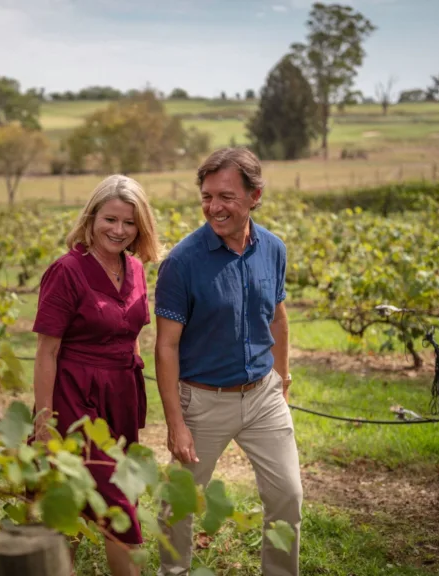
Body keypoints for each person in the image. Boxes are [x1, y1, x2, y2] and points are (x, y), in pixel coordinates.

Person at [153, 147, 303, 576]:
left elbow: (277, 317)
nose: (214, 207)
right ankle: (174, 573)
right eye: (207, 196)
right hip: (203, 402)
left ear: (255, 196)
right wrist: (176, 423)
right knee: (178, 502)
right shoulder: (181, 263)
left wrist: (282, 377)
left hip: (263, 396)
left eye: (226, 197)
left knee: (288, 496)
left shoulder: (273, 249)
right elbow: (165, 347)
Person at [31, 174, 162, 576]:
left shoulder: (135, 268)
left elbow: (131, 333)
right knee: (112, 503)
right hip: (75, 397)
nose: (119, 230)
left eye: (129, 222)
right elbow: (47, 351)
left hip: (121, 396)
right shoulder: (67, 270)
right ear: (91, 218)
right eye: (110, 219)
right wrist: (44, 421)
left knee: (84, 500)